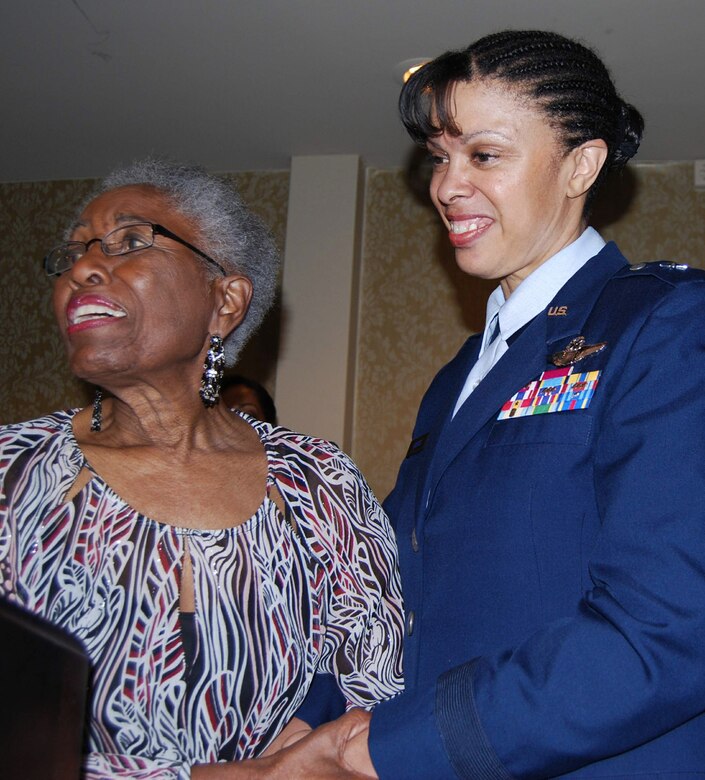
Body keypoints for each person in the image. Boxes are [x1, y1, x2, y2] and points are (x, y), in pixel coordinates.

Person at [234, 29, 705, 779]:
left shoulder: (666, 323)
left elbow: (670, 629)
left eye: (483, 155)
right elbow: (390, 584)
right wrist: (307, 714)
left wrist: (385, 747)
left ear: (581, 164)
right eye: (440, 156)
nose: (447, 185)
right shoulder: (461, 373)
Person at [0, 158, 403, 778]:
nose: (81, 268)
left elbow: (376, 689)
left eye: (130, 241)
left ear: (225, 300)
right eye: (72, 254)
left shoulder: (319, 480)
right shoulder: (13, 474)